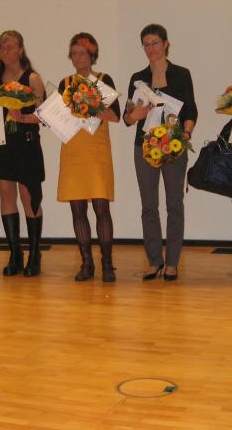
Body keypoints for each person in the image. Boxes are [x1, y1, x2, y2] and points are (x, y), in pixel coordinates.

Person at [124, 24, 197, 282]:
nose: (151, 48)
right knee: (149, 206)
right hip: (144, 146)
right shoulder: (138, 78)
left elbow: (191, 111)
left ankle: (172, 262)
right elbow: (127, 118)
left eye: (155, 43)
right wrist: (136, 114)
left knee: (174, 205)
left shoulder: (181, 74)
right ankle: (154, 260)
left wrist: (185, 134)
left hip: (173, 144)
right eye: (146, 44)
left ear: (166, 44)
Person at [57, 33, 121, 282]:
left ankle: (107, 264)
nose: (77, 57)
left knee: (101, 208)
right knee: (77, 209)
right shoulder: (64, 83)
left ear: (92, 55)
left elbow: (115, 117)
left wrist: (91, 103)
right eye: (73, 53)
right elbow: (57, 118)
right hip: (72, 150)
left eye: (82, 52)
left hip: (96, 151)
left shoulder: (103, 80)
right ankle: (87, 263)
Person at [0, 30, 46, 277]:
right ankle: (15, 253)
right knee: (6, 196)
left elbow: (45, 116)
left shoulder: (32, 78)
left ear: (21, 49)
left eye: (10, 47)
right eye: (2, 48)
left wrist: (24, 117)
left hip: (27, 143)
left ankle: (34, 254)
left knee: (29, 198)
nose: (6, 52)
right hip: (3, 144)